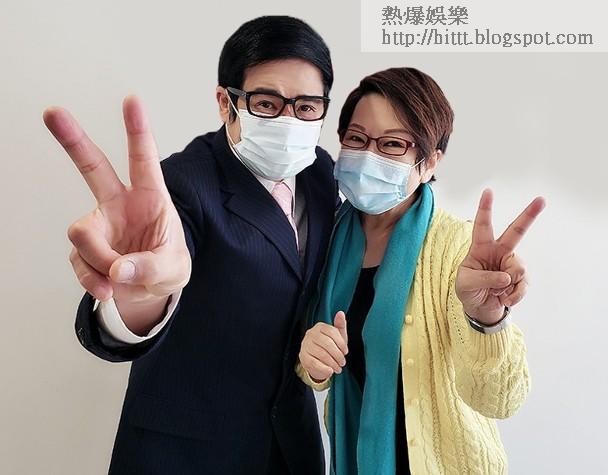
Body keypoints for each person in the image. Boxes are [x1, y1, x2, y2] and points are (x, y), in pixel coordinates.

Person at [43, 16, 339, 475]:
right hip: (185, 450)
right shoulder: (181, 183)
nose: (289, 121)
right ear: (226, 102)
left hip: (289, 446)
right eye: (266, 103)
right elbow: (154, 272)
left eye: (306, 107)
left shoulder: (321, 173)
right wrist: (138, 297)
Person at [297, 67, 545, 474]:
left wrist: (486, 319)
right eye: (356, 139)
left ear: (429, 162)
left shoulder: (458, 248)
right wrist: (311, 361)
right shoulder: (327, 236)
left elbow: (501, 401)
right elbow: (314, 363)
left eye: (393, 144)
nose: (369, 155)